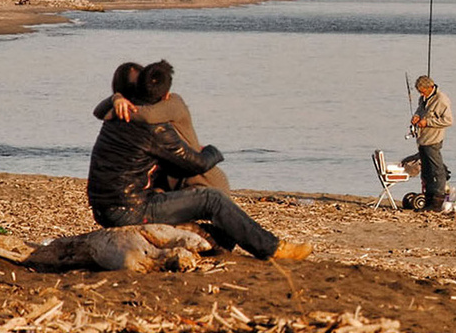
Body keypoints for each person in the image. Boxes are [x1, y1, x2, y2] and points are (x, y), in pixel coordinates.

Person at [87, 60, 310, 261]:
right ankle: (273, 249)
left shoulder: (114, 115)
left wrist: (115, 99)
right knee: (211, 199)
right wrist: (213, 151)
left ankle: (206, 238)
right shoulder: (156, 129)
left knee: (219, 229)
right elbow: (197, 164)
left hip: (105, 207)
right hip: (129, 209)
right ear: (165, 97)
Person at [93, 62, 229, 191]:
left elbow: (148, 115)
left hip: (202, 181)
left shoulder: (170, 103)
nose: (146, 88)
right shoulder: (132, 121)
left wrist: (115, 107)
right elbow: (99, 112)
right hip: (174, 182)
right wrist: (116, 99)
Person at [409, 74, 454, 211]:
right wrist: (417, 116)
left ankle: (438, 201)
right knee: (426, 171)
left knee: (437, 170)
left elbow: (448, 120)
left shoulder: (441, 100)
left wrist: (427, 122)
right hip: (422, 139)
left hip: (433, 139)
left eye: (422, 91)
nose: (421, 94)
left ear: (430, 87)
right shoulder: (423, 98)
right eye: (419, 92)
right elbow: (420, 110)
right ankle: (428, 198)